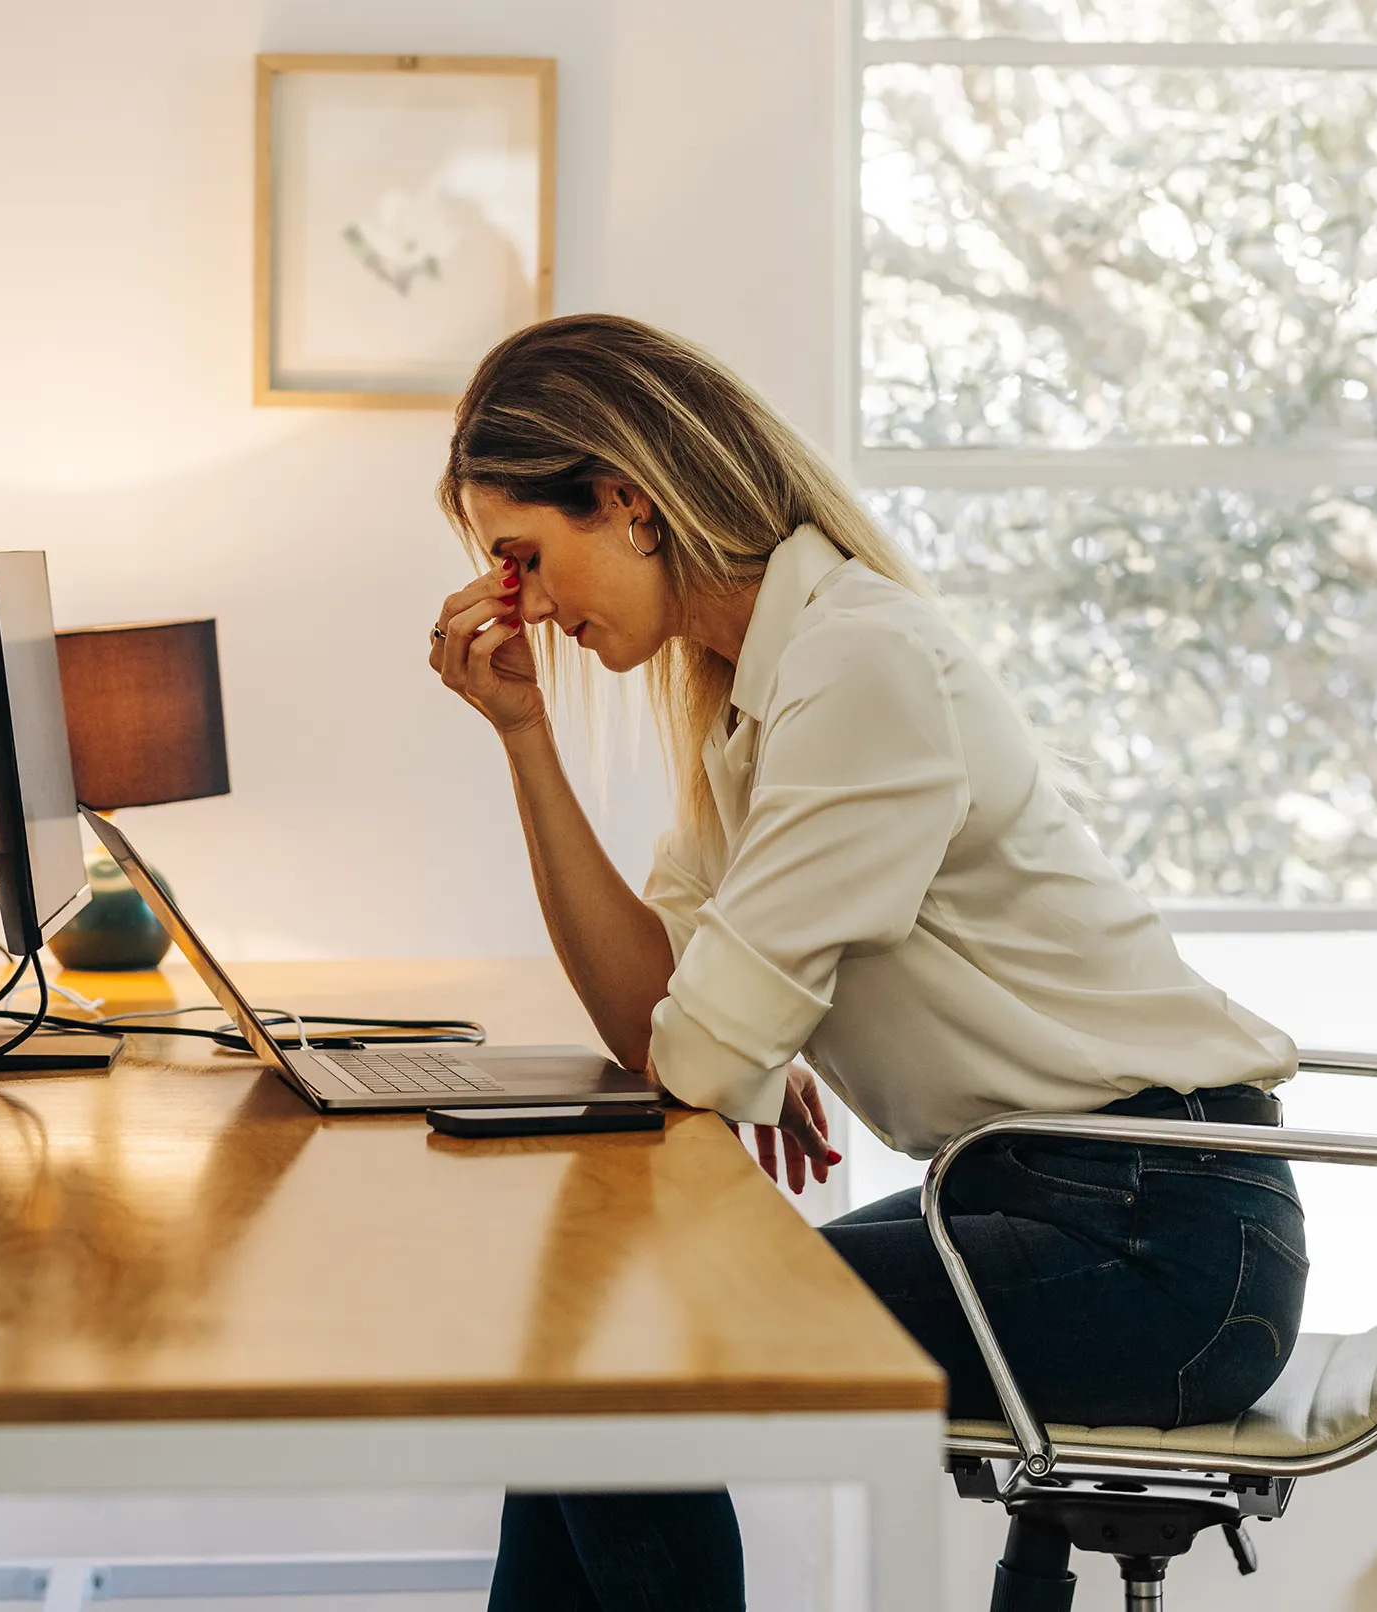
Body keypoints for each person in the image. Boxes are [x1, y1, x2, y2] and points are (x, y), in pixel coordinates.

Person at [424, 314, 1307, 1612]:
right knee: (585, 1365)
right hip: (1058, 1196)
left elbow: (702, 1060)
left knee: (614, 1368)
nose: (534, 611)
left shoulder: (856, 663)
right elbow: (656, 1026)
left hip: (1158, 1243)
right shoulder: (753, 690)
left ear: (627, 502)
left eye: (529, 560)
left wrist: (727, 1039)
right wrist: (523, 740)